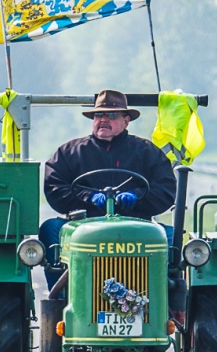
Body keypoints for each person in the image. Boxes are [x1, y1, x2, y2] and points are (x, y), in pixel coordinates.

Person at [40, 89, 176, 288]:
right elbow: (54, 188)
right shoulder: (70, 152)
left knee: (173, 238)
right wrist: (89, 196)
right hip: (82, 224)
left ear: (126, 120)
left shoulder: (146, 152)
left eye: (111, 115)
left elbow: (165, 189)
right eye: (98, 114)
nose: (103, 120)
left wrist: (137, 196)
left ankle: (168, 302)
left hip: (137, 224)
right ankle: (60, 298)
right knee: (50, 229)